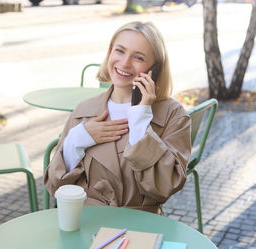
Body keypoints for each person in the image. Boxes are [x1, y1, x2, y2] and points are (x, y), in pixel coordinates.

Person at [44, 21, 191, 214]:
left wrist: (140, 120)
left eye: (138, 57)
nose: (124, 63)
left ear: (154, 69)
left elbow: (164, 187)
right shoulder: (83, 111)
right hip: (88, 219)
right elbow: (56, 186)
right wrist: (76, 140)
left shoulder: (173, 115)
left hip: (142, 224)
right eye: (120, 51)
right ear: (109, 53)